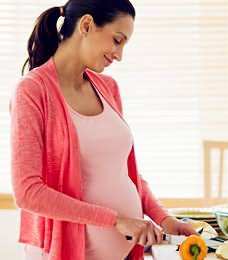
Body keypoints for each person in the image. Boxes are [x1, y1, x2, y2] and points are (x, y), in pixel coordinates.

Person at [10, 1, 196, 259]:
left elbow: (125, 174)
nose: (119, 55)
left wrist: (164, 219)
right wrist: (116, 220)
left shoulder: (108, 88)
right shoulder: (32, 91)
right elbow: (28, 192)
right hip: (67, 250)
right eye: (117, 40)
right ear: (86, 25)